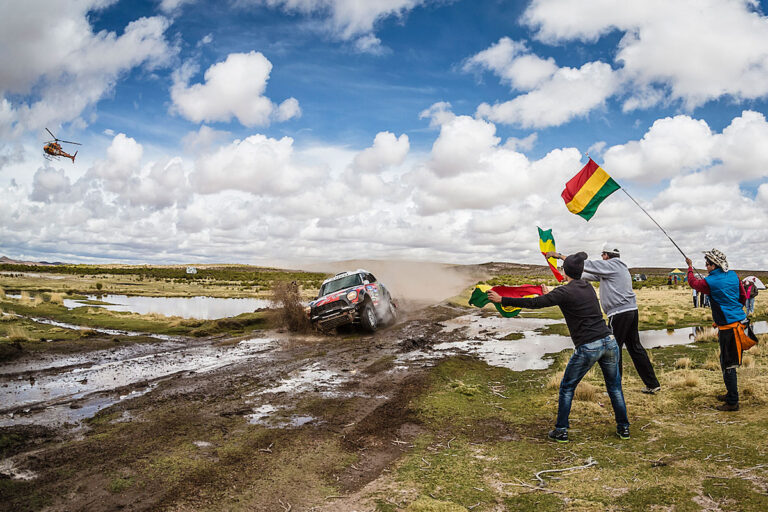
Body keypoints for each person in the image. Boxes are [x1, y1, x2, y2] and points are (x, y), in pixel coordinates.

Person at [488, 252, 630, 442]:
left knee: (567, 387)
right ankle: (624, 428)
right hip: (609, 342)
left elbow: (535, 303)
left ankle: (561, 430)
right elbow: (568, 302)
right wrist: (550, 295)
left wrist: (503, 300)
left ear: (565, 272)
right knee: (614, 387)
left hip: (589, 346)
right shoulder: (587, 287)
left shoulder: (564, 292)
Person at [547, 243, 661, 395]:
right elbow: (586, 273)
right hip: (630, 311)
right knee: (635, 348)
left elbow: (583, 264)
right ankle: (652, 384)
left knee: (613, 349)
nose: (601, 257)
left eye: (602, 255)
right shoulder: (616, 268)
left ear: (607, 255)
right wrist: (569, 276)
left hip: (619, 313)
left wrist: (559, 255)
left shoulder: (613, 265)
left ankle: (615, 388)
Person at [686, 249, 748, 411]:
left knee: (729, 364)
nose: (705, 266)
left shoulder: (710, 282)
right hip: (737, 322)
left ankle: (733, 402)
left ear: (714, 265)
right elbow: (742, 297)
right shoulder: (733, 275)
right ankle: (730, 394)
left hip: (730, 328)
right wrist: (734, 311)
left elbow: (693, 283)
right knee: (726, 361)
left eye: (707, 264)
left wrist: (690, 267)